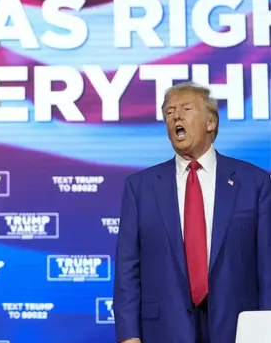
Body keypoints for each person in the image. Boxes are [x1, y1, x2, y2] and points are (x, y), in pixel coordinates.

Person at [113, 82, 271, 343]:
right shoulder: (140, 187)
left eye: (186, 108)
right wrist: (129, 335)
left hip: (237, 328)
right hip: (163, 330)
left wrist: (267, 329)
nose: (176, 116)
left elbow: (267, 265)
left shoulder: (254, 182)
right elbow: (127, 267)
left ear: (211, 123)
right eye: (169, 112)